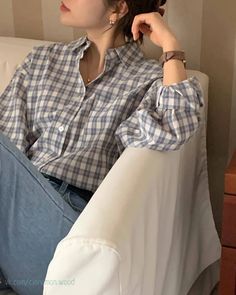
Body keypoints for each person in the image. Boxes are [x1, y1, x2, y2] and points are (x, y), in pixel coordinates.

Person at [0, 0, 204, 294]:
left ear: (119, 8)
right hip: (16, 213)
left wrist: (171, 47)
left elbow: (176, 127)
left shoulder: (148, 80)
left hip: (72, 229)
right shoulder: (42, 61)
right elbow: (10, 141)